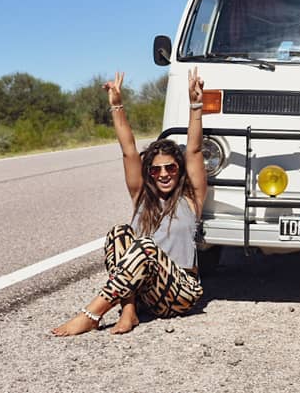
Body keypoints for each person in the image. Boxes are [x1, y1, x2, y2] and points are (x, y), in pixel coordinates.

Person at [51, 67, 208, 336]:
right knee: (118, 233)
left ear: (179, 170)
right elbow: (129, 150)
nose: (163, 174)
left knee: (145, 247)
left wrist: (196, 104)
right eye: (156, 170)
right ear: (148, 173)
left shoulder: (191, 198)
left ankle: (92, 314)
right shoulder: (141, 197)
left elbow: (193, 149)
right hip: (148, 293)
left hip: (181, 291)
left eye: (170, 168)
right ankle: (128, 309)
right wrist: (117, 105)